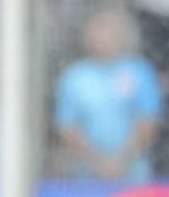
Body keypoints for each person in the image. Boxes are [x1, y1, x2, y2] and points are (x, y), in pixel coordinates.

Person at [55, 13, 162, 182]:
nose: (104, 39)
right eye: (99, 33)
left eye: (110, 33)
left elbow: (149, 122)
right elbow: (67, 128)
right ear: (87, 38)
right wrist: (99, 164)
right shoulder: (75, 77)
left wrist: (122, 161)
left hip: (135, 177)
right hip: (86, 178)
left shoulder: (139, 71)